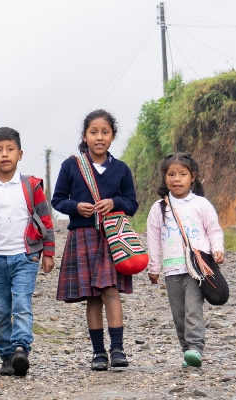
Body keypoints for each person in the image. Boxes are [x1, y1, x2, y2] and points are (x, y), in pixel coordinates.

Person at [51, 109, 138, 371]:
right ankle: (98, 353)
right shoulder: (71, 166)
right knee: (92, 297)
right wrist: (77, 207)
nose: (99, 137)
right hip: (83, 235)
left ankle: (118, 349)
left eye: (105, 132)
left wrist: (114, 202)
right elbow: (58, 200)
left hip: (112, 238)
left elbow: (132, 203)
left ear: (112, 137)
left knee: (111, 291)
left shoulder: (121, 169)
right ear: (85, 136)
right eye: (93, 132)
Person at [0, 127, 56, 377]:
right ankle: (6, 356)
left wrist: (48, 252)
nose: (4, 154)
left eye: (10, 149)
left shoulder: (31, 185)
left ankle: (21, 348)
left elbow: (46, 221)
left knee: (21, 304)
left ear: (20, 154)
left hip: (25, 257)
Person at [146, 153, 224, 368]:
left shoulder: (201, 204)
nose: (176, 179)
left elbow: (214, 230)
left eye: (182, 174)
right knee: (178, 314)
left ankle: (195, 348)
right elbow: (153, 240)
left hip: (197, 268)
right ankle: (186, 351)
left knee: (192, 309)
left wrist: (217, 249)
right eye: (171, 174)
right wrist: (154, 267)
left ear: (193, 177)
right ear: (165, 177)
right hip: (171, 271)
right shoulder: (158, 208)